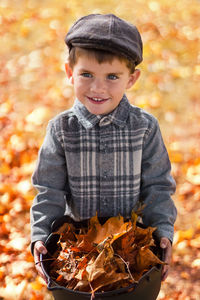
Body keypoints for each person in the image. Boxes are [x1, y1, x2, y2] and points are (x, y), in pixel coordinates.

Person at [31, 14, 177, 284]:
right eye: (86, 74)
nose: (98, 87)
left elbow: (157, 186)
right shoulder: (61, 129)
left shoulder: (144, 128)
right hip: (80, 252)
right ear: (69, 73)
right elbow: (49, 190)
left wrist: (163, 233)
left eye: (112, 76)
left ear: (131, 79)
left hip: (130, 252)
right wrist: (41, 236)